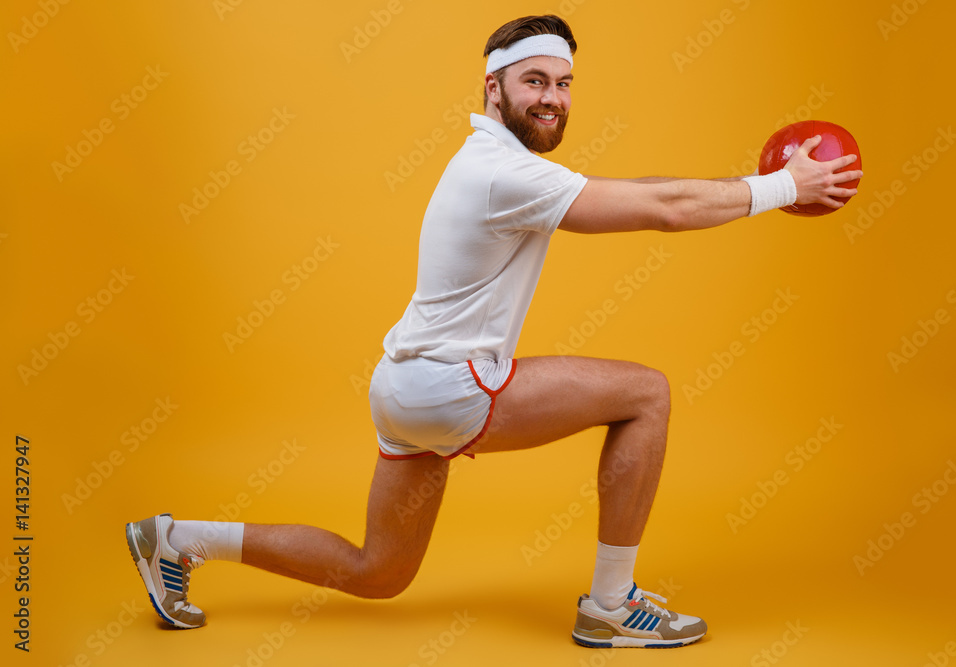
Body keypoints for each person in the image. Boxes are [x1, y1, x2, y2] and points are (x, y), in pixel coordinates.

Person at [126, 14, 861, 648]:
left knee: (376, 571)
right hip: (450, 387)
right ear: (493, 89)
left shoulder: (500, 163)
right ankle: (610, 606)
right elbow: (665, 211)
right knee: (647, 393)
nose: (552, 98)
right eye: (534, 82)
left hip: (402, 387)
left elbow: (637, 193)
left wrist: (745, 181)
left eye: (564, 84)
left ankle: (180, 538)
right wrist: (783, 188)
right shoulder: (502, 173)